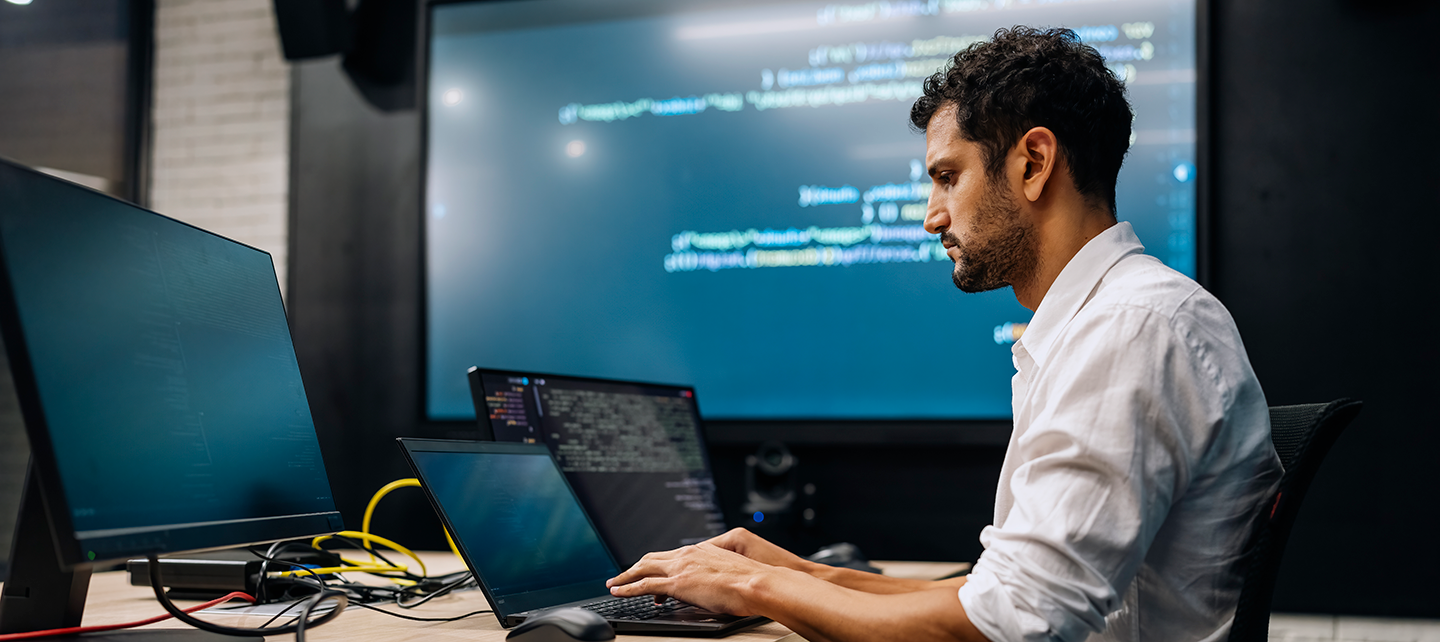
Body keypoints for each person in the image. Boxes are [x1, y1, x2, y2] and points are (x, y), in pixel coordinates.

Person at [607, 26, 1281, 642]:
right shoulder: (1107, 324)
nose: (933, 217)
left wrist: (755, 586)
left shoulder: (1131, 331)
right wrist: (796, 574)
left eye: (947, 176)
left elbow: (1008, 626)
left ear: (1033, 163)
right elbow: (1002, 594)